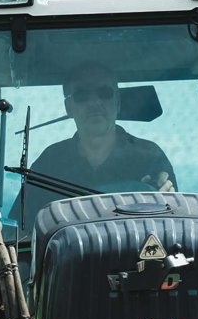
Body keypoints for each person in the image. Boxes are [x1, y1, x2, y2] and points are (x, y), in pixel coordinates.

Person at [13, 63, 176, 230]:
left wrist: (169, 200)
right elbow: (19, 231)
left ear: (118, 102)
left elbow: (171, 226)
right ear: (69, 108)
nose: (94, 102)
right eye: (81, 95)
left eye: (104, 93)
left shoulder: (149, 157)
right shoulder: (49, 162)